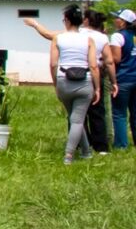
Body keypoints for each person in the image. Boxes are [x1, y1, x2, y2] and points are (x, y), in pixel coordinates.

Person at [25, 9, 118, 154]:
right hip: (93, 75)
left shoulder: (72, 34)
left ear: (85, 21)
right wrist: (113, 82)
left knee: (75, 115)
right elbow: (109, 61)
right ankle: (101, 147)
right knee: (97, 113)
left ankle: (78, 146)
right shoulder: (101, 37)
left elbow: (48, 35)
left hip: (70, 76)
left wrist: (35, 24)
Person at [50, 4, 100, 164]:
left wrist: (55, 84)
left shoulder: (58, 38)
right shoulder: (89, 40)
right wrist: (97, 87)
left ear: (67, 20)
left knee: (75, 119)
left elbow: (53, 64)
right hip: (84, 82)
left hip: (64, 81)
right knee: (77, 120)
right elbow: (93, 66)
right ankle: (71, 155)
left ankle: (81, 152)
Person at [110, 9, 136, 149]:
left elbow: (116, 59)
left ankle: (121, 144)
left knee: (119, 113)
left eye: (117, 18)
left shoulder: (118, 36)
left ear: (124, 22)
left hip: (123, 78)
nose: (115, 20)